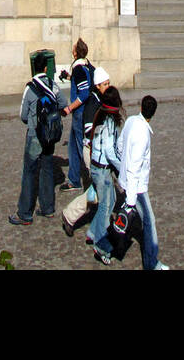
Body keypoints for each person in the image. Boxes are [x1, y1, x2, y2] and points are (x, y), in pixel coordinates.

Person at [9, 51, 67, 225]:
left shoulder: (30, 87)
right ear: (46, 67)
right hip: (49, 135)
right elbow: (63, 104)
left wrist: (34, 122)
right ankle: (48, 208)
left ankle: (25, 214)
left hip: (35, 135)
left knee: (29, 172)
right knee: (47, 169)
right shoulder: (52, 84)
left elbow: (23, 115)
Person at [116, 94, 169, 271]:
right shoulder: (143, 135)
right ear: (153, 114)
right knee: (149, 221)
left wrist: (121, 166)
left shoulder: (131, 121)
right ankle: (151, 262)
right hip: (135, 186)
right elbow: (135, 167)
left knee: (125, 221)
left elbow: (120, 145)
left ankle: (105, 246)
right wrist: (131, 199)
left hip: (126, 180)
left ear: (141, 108)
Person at [62, 65, 110, 238]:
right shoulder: (92, 103)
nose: (108, 87)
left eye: (108, 83)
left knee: (101, 189)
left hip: (101, 151)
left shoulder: (100, 100)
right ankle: (71, 216)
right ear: (97, 85)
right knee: (101, 191)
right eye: (105, 84)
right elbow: (90, 131)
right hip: (92, 151)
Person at [86, 88, 124, 263]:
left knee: (110, 200)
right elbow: (109, 150)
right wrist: (121, 167)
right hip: (101, 169)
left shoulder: (100, 115)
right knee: (105, 206)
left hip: (99, 167)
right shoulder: (109, 121)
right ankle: (101, 245)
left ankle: (93, 232)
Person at [62, 39, 93, 190]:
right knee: (73, 147)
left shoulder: (79, 68)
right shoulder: (84, 65)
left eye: (73, 48)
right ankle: (74, 180)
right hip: (79, 113)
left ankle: (93, 181)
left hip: (79, 113)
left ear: (76, 52)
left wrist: (69, 108)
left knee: (82, 148)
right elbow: (81, 82)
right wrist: (68, 77)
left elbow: (84, 93)